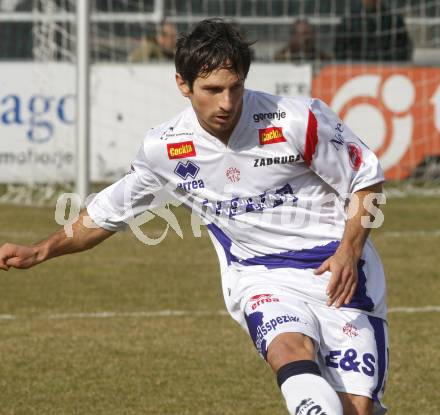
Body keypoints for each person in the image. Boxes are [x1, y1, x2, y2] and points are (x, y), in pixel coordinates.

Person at [0, 18, 388, 415]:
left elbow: (365, 179)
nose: (226, 102)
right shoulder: (166, 148)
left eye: (235, 87)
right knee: (288, 349)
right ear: (183, 85)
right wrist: (40, 250)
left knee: (356, 409)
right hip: (260, 276)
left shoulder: (296, 120)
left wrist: (348, 251)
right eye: (212, 90)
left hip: (339, 272)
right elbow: (106, 213)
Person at [335, 0, 412, 61]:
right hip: (356, 69)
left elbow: (405, 49)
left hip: (386, 68)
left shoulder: (394, 19)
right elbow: (339, 50)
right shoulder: (349, 19)